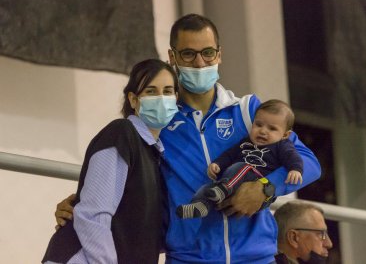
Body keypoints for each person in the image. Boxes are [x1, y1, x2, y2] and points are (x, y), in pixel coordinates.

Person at [54, 13, 321, 263]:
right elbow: (129, 183)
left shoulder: (248, 111)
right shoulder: (158, 122)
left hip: (256, 257)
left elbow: (308, 162)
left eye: (207, 53)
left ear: (219, 54)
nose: (200, 63)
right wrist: (83, 203)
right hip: (188, 258)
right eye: (189, 54)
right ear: (172, 56)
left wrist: (265, 188)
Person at [42, 59, 179, 263]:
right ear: (133, 100)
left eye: (168, 91)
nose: (161, 98)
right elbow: (93, 215)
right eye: (151, 91)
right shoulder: (122, 134)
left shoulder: (155, 155)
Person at [177, 99, 303, 219]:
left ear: (285, 135)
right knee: (209, 187)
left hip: (259, 188)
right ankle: (200, 205)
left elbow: (293, 158)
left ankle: (224, 188)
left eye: (272, 128)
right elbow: (229, 155)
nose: (263, 131)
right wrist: (217, 164)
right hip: (233, 183)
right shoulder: (245, 142)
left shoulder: (283, 145)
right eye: (258, 124)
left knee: (243, 167)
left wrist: (295, 169)